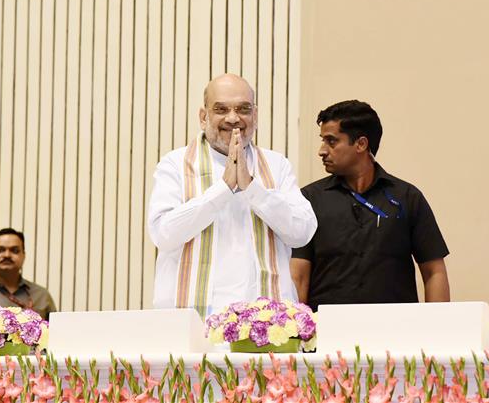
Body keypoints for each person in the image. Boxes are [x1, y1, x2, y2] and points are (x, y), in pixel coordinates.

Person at [147, 74, 317, 317]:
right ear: (203, 116)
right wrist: (223, 189)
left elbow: (302, 233)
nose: (233, 118)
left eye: (243, 109)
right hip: (193, 325)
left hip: (265, 324)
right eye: (221, 109)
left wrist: (252, 189)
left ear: (255, 116)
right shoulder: (175, 164)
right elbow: (163, 234)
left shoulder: (275, 165)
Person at [290, 100, 450, 311]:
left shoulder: (407, 197)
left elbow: (434, 272)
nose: (322, 151)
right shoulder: (309, 199)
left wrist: (437, 330)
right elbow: (298, 275)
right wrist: (297, 335)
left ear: (361, 144)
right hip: (327, 332)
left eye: (331, 141)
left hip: (396, 331)